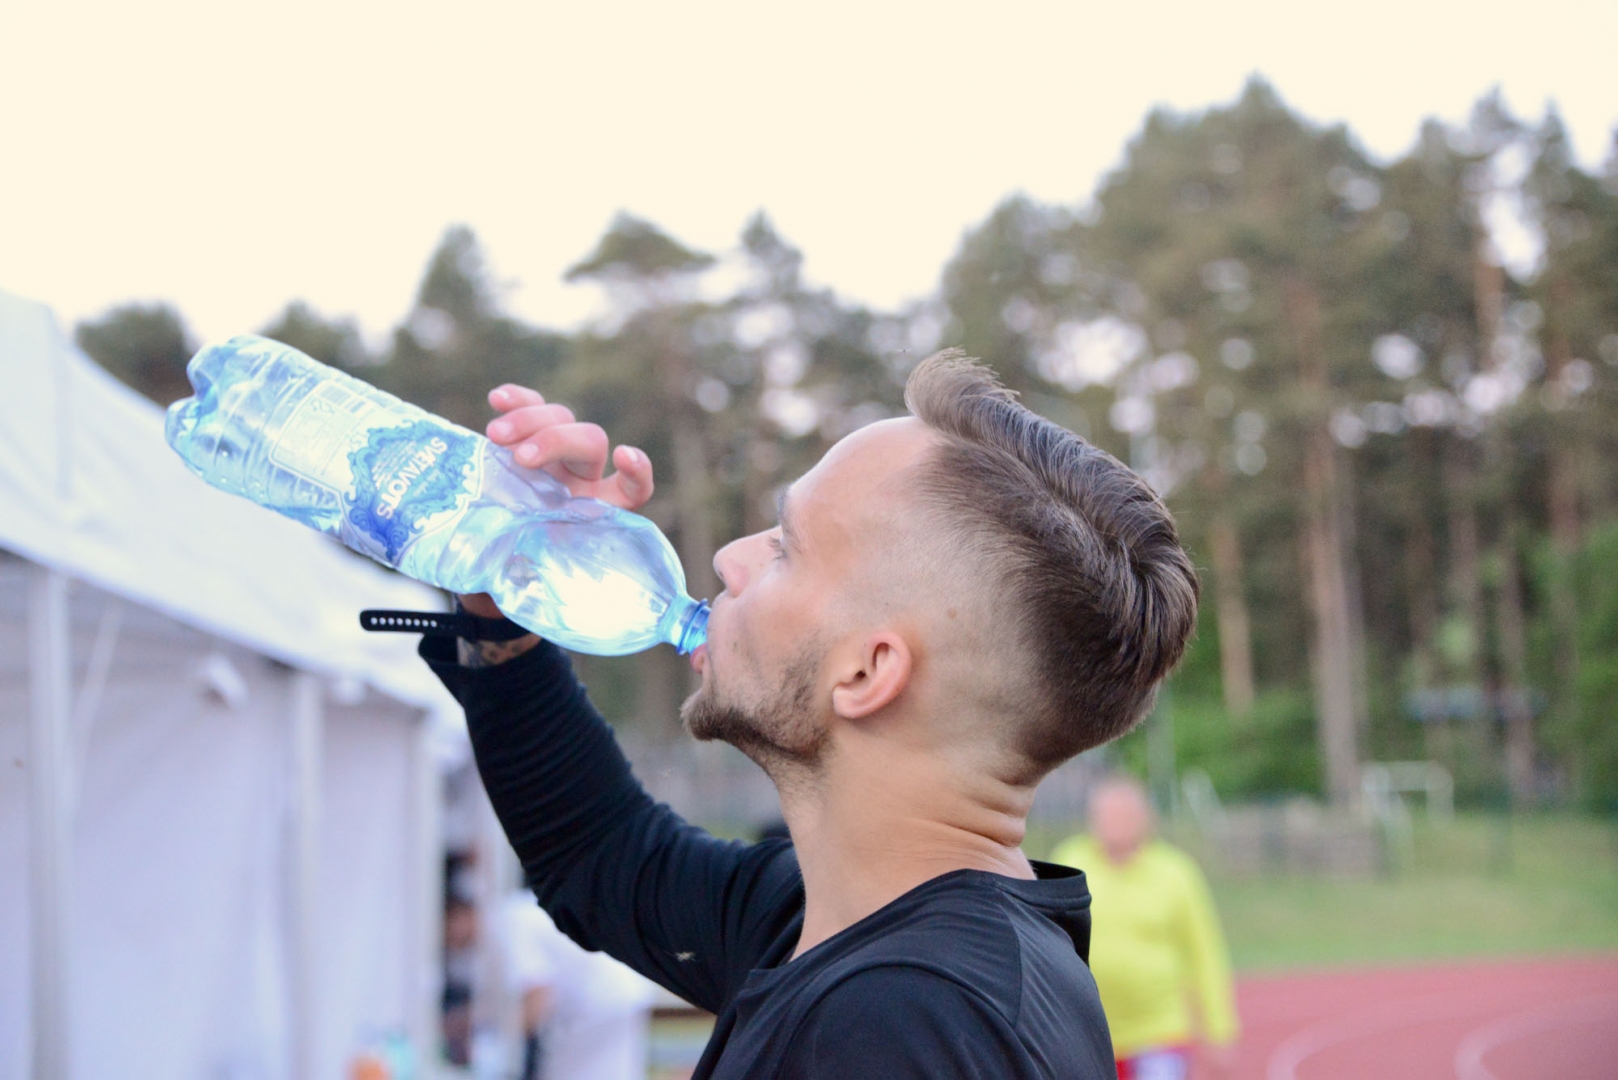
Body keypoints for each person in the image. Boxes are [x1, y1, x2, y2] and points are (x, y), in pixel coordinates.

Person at [426, 350, 1200, 1077]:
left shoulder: (903, 1024)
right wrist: (501, 595)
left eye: (784, 547)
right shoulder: (856, 932)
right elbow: (600, 855)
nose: (729, 558)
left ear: (867, 671)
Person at [1051, 777, 1239, 1080]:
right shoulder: (1069, 863)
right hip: (1087, 1033)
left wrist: (1219, 1029)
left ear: (1145, 819)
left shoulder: (1176, 873)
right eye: (1107, 815)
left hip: (1160, 1033)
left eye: (1124, 815)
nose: (1114, 824)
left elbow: (1203, 953)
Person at [501, 891, 658, 1080]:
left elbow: (537, 994)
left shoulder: (511, 917)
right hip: (628, 987)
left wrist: (502, 1045)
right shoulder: (530, 907)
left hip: (592, 1004)